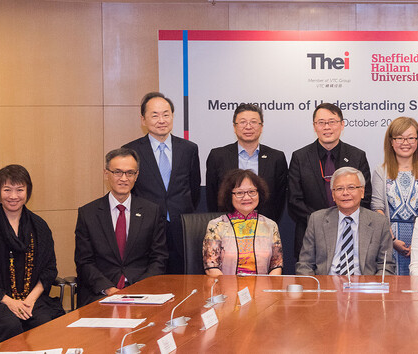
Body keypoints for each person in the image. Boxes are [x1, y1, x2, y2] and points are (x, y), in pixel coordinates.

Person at [0, 165, 64, 352]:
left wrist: (31, 300)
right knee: (10, 325)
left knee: (45, 323)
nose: (13, 196)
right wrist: (10, 302)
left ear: (28, 191)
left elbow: (49, 269)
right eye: (7, 190)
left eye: (20, 190)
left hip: (31, 298)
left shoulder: (39, 227)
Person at [74, 148, 168, 307]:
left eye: (130, 173)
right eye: (117, 172)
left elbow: (159, 258)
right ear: (106, 173)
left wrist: (139, 289)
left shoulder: (152, 211)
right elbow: (84, 261)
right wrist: (109, 289)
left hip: (143, 292)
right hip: (100, 292)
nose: (124, 178)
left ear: (136, 175)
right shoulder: (88, 213)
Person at [123, 92, 199, 274]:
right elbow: (129, 190)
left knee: (181, 279)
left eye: (166, 114)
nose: (161, 120)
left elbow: (194, 189)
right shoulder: (131, 151)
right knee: (150, 279)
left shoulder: (189, 149)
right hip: (146, 227)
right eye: (155, 115)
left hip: (181, 226)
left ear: (172, 116)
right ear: (143, 119)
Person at [288, 103, 372, 260]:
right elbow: (294, 200)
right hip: (310, 233)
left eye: (332, 122)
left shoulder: (357, 156)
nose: (327, 127)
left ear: (342, 124)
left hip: (350, 232)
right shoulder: (300, 157)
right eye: (321, 122)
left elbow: (364, 196)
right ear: (314, 126)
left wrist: (342, 221)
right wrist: (321, 223)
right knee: (310, 283)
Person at [296, 167, 394, 276]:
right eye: (339, 189)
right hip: (326, 286)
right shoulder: (317, 220)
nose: (345, 193)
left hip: (364, 286)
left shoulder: (379, 222)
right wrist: (315, 289)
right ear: (333, 195)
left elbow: (386, 266)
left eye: (351, 187)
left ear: (362, 192)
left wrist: (373, 289)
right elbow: (305, 265)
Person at [205, 103, 288, 222]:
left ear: (261, 126)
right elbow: (212, 197)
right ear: (234, 127)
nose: (248, 127)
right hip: (226, 227)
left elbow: (279, 200)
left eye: (254, 122)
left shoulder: (276, 158)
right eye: (243, 122)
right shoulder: (218, 156)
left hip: (263, 227)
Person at [372, 117, 418, 275]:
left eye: (411, 137)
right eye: (400, 138)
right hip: (389, 241)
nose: (406, 142)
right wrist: (392, 241)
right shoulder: (381, 171)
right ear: (391, 141)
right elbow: (378, 208)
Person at [203, 169, 283, 276]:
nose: (246, 197)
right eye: (239, 193)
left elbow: (276, 266)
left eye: (252, 192)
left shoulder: (270, 226)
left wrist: (266, 292)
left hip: (262, 290)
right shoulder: (217, 226)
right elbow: (211, 267)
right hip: (226, 289)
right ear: (229, 195)